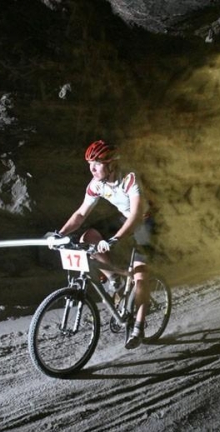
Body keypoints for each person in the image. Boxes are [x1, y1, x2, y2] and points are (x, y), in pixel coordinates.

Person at [54, 139, 154, 349]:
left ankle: (139, 326)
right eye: (90, 164)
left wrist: (114, 239)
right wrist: (60, 234)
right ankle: (114, 279)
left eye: (97, 164)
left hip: (145, 221)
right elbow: (81, 213)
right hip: (124, 218)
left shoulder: (129, 178)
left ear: (111, 164)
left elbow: (136, 215)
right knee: (87, 237)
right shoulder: (96, 184)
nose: (92, 168)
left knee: (140, 275)